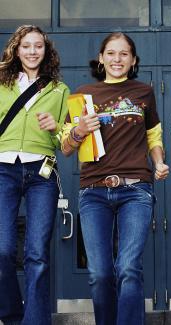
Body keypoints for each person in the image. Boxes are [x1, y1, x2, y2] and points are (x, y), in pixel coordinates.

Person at [61, 32, 169, 325]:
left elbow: (153, 135)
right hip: (93, 192)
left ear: (133, 60)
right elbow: (67, 147)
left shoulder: (144, 92)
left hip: (135, 189)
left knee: (129, 268)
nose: (117, 59)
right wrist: (79, 129)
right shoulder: (82, 95)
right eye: (111, 53)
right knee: (100, 274)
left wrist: (159, 162)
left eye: (124, 54)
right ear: (101, 58)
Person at [0, 25, 69, 325]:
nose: (32, 51)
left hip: (42, 172)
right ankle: (12, 316)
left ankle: (35, 321)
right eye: (26, 46)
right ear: (16, 49)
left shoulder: (59, 89)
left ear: (46, 50)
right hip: (4, 169)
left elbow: (67, 141)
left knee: (37, 254)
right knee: (2, 250)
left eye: (38, 46)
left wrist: (56, 127)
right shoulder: (1, 84)